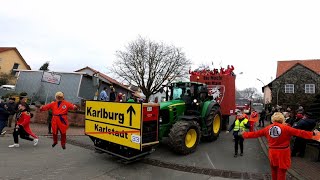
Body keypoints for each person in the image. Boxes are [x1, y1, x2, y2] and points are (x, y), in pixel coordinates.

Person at [240, 112, 320, 180]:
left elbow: (255, 134)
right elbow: (300, 133)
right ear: (282, 119)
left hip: (272, 152)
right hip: (283, 153)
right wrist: (314, 134)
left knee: (273, 169)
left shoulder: (267, 128)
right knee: (281, 171)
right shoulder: (286, 128)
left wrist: (244, 134)